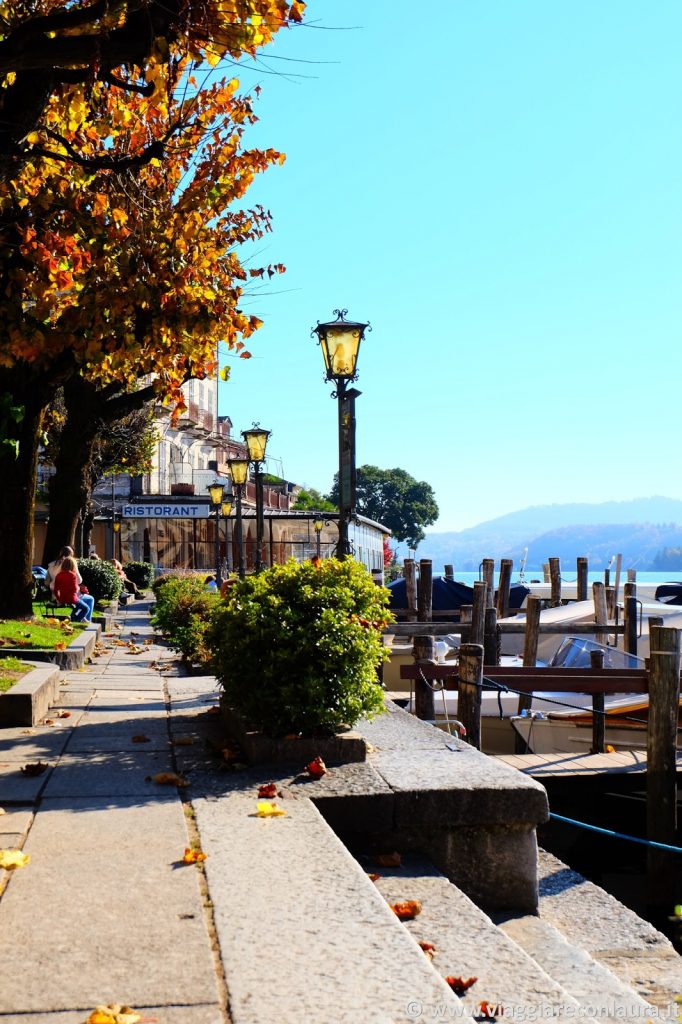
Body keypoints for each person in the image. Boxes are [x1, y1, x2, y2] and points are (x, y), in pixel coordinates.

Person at [53, 556, 95, 622]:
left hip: (63, 598)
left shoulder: (59, 575)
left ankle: (71, 617)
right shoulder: (72, 575)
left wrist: (59, 599)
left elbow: (55, 590)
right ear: (73, 565)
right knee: (86, 608)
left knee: (78, 606)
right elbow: (74, 589)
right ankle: (75, 620)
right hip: (72, 599)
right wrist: (79, 588)